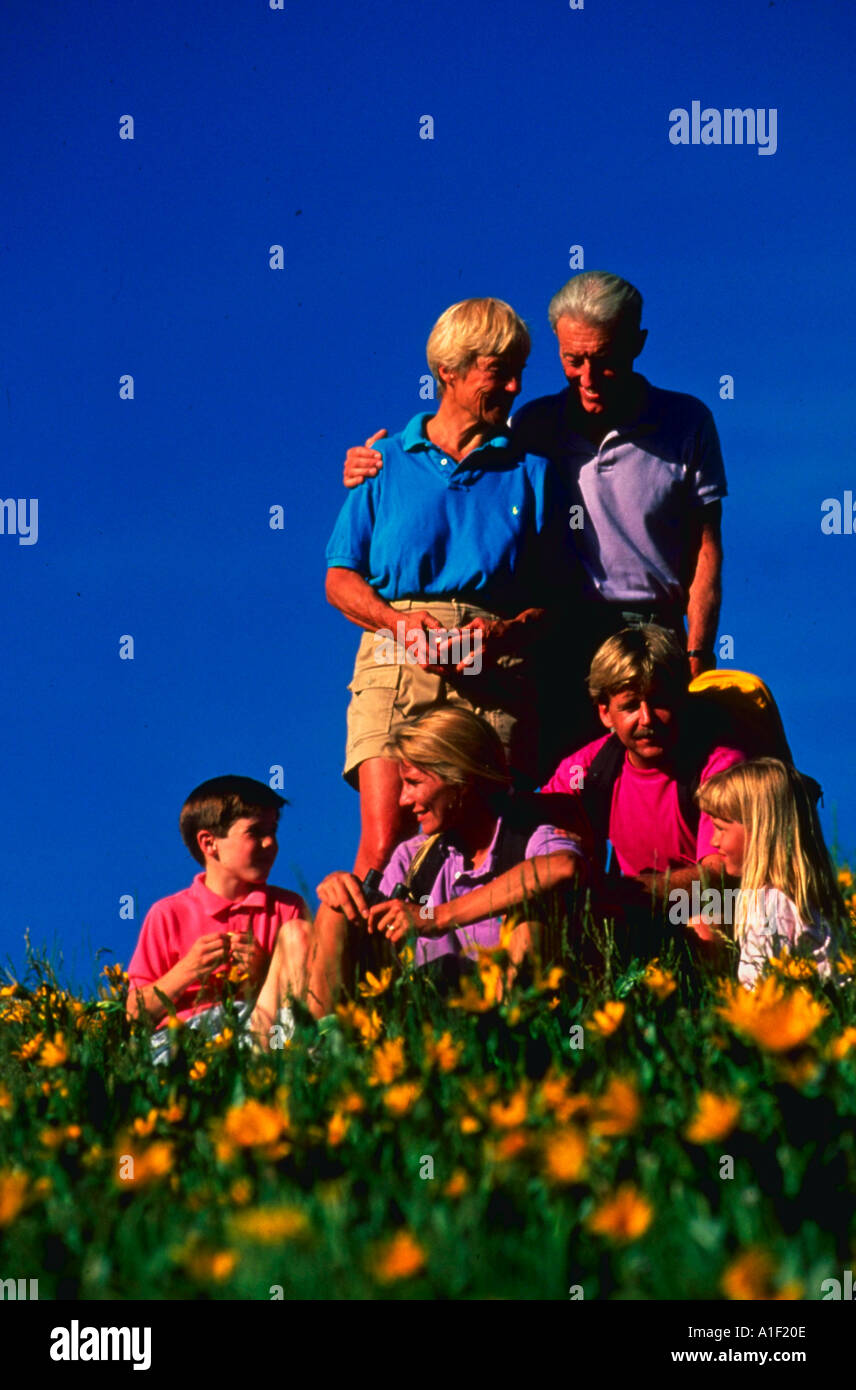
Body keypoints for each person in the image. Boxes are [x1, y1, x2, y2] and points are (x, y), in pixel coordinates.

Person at [342, 271, 726, 760]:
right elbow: (461, 458)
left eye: (604, 361)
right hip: (558, 632)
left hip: (653, 631)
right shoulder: (534, 425)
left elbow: (706, 548)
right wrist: (376, 463)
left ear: (638, 344)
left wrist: (699, 652)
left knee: (663, 781)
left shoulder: (687, 422)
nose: (587, 378)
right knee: (560, 788)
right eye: (572, 360)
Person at [325, 297, 575, 876]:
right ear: (449, 372)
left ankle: (486, 968)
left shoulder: (532, 472)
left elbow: (556, 598)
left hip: (492, 663)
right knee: (385, 843)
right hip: (394, 655)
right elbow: (340, 578)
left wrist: (507, 632)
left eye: (520, 371)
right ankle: (362, 968)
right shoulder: (383, 463)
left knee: (490, 843)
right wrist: (396, 623)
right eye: (499, 371)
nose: (515, 387)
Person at [309, 708, 587, 1010]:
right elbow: (374, 930)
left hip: (504, 1007)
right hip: (427, 1012)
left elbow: (562, 866)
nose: (403, 799)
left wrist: (436, 917)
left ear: (462, 779)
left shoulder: (527, 837)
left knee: (531, 914)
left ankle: (511, 1038)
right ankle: (324, 1048)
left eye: (413, 783)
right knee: (335, 909)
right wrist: (344, 891)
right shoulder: (413, 857)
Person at [541, 626, 745, 916]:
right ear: (604, 712)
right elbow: (529, 830)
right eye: (630, 706)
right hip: (631, 910)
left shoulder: (719, 766)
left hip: (709, 913)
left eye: (659, 701)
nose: (647, 719)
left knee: (706, 922)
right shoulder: (587, 768)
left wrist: (616, 892)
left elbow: (717, 877)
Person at [126, 776, 312, 1060]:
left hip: (262, 1033)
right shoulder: (167, 914)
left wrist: (261, 972)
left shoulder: (287, 908)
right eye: (255, 832)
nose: (270, 843)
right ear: (209, 843)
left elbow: (304, 996)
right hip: (183, 1041)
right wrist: (188, 969)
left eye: (273, 831)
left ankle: (282, 1066)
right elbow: (134, 1014)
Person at [694, 758, 848, 988]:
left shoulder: (768, 904)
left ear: (759, 831)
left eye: (720, 828)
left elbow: (759, 987)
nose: (713, 841)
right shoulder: (805, 897)